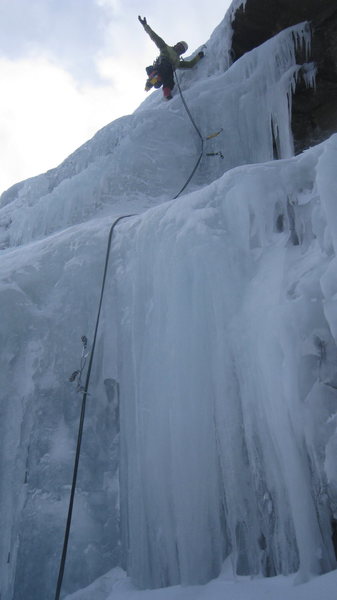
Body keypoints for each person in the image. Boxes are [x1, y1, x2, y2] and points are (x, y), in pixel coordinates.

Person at [138, 16, 205, 100]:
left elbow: (190, 64)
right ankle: (153, 78)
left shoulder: (178, 62)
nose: (179, 49)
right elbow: (154, 37)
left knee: (170, 81)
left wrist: (198, 57)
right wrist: (145, 25)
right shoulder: (166, 48)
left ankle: (165, 92)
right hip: (161, 66)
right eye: (179, 46)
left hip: (164, 75)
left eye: (181, 49)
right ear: (176, 44)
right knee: (167, 68)